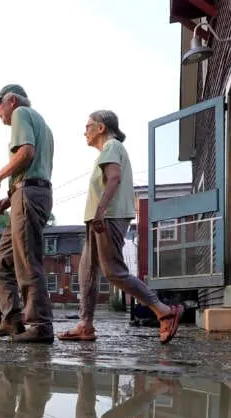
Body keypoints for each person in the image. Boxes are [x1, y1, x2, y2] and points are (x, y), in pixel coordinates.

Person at [59, 110, 184, 345]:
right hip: (97, 219)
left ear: (101, 128)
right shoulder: (108, 150)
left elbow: (114, 177)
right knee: (86, 273)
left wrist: (100, 211)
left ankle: (164, 310)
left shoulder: (111, 147)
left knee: (113, 271)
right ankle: (85, 325)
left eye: (88, 126)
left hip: (107, 217)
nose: (84, 131)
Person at [0, 84, 55, 343]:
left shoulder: (21, 114)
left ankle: (40, 325)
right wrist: (9, 197)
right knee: (1, 261)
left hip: (29, 196)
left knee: (27, 261)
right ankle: (12, 319)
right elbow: (33, 166)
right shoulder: (42, 124)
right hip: (26, 195)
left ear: (12, 101)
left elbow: (26, 153)